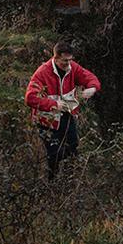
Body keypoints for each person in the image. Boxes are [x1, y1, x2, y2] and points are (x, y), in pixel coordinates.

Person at [25, 41, 101, 179]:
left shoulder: (73, 68)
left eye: (70, 60)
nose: (68, 64)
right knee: (55, 155)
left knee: (73, 150)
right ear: (55, 58)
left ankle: (69, 183)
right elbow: (30, 98)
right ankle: (52, 185)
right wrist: (53, 104)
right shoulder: (42, 73)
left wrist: (92, 88)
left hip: (67, 116)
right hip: (47, 121)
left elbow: (89, 77)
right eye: (65, 61)